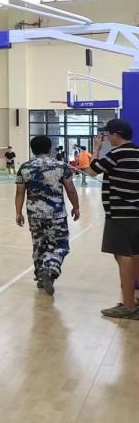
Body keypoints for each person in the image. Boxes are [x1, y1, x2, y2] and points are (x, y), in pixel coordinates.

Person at [83, 119, 139, 318]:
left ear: (116, 135)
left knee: (123, 256)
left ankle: (129, 306)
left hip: (120, 214)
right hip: (136, 213)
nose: (107, 138)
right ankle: (135, 302)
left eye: (108, 135)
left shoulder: (116, 154)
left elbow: (91, 171)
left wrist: (96, 149)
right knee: (135, 255)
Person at [17, 135, 79, 296]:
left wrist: (18, 212)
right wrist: (76, 207)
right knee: (60, 244)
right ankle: (50, 269)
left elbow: (20, 192)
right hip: (56, 214)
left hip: (34, 214)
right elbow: (70, 189)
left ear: (32, 149)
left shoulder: (25, 167)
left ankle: (40, 277)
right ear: (49, 148)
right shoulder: (60, 166)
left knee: (39, 244)